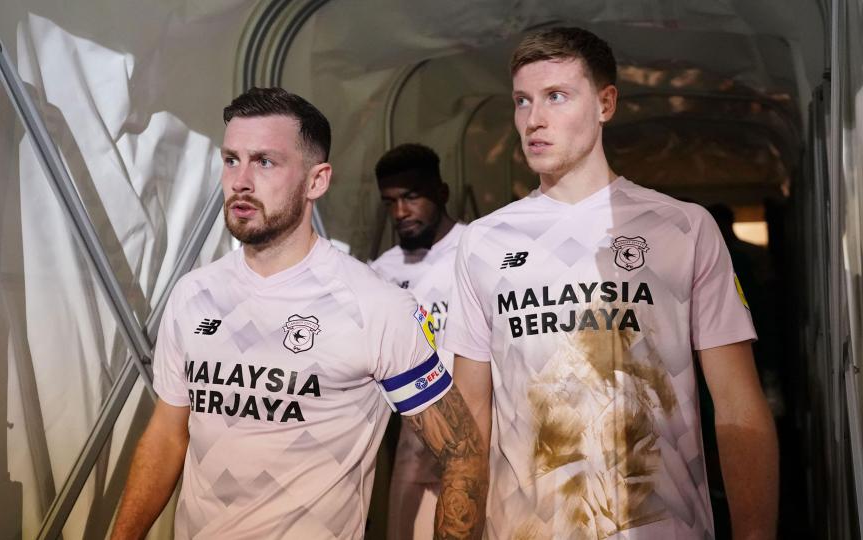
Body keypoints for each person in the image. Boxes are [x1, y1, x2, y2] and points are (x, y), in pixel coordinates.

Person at [443, 28, 779, 539]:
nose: (534, 119)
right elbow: (469, 411)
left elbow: (737, 403)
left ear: (605, 104)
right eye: (522, 101)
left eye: (556, 96)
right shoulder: (484, 241)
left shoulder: (682, 228)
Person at [111, 87, 487, 539]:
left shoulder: (375, 305)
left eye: (264, 162)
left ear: (317, 181)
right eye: (231, 160)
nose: (241, 180)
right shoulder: (194, 294)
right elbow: (167, 435)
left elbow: (462, 453)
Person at [369, 143, 465, 540]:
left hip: (478, 429)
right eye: (390, 202)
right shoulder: (380, 272)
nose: (400, 212)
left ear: (441, 193)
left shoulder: (476, 250)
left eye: (411, 197)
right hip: (411, 438)